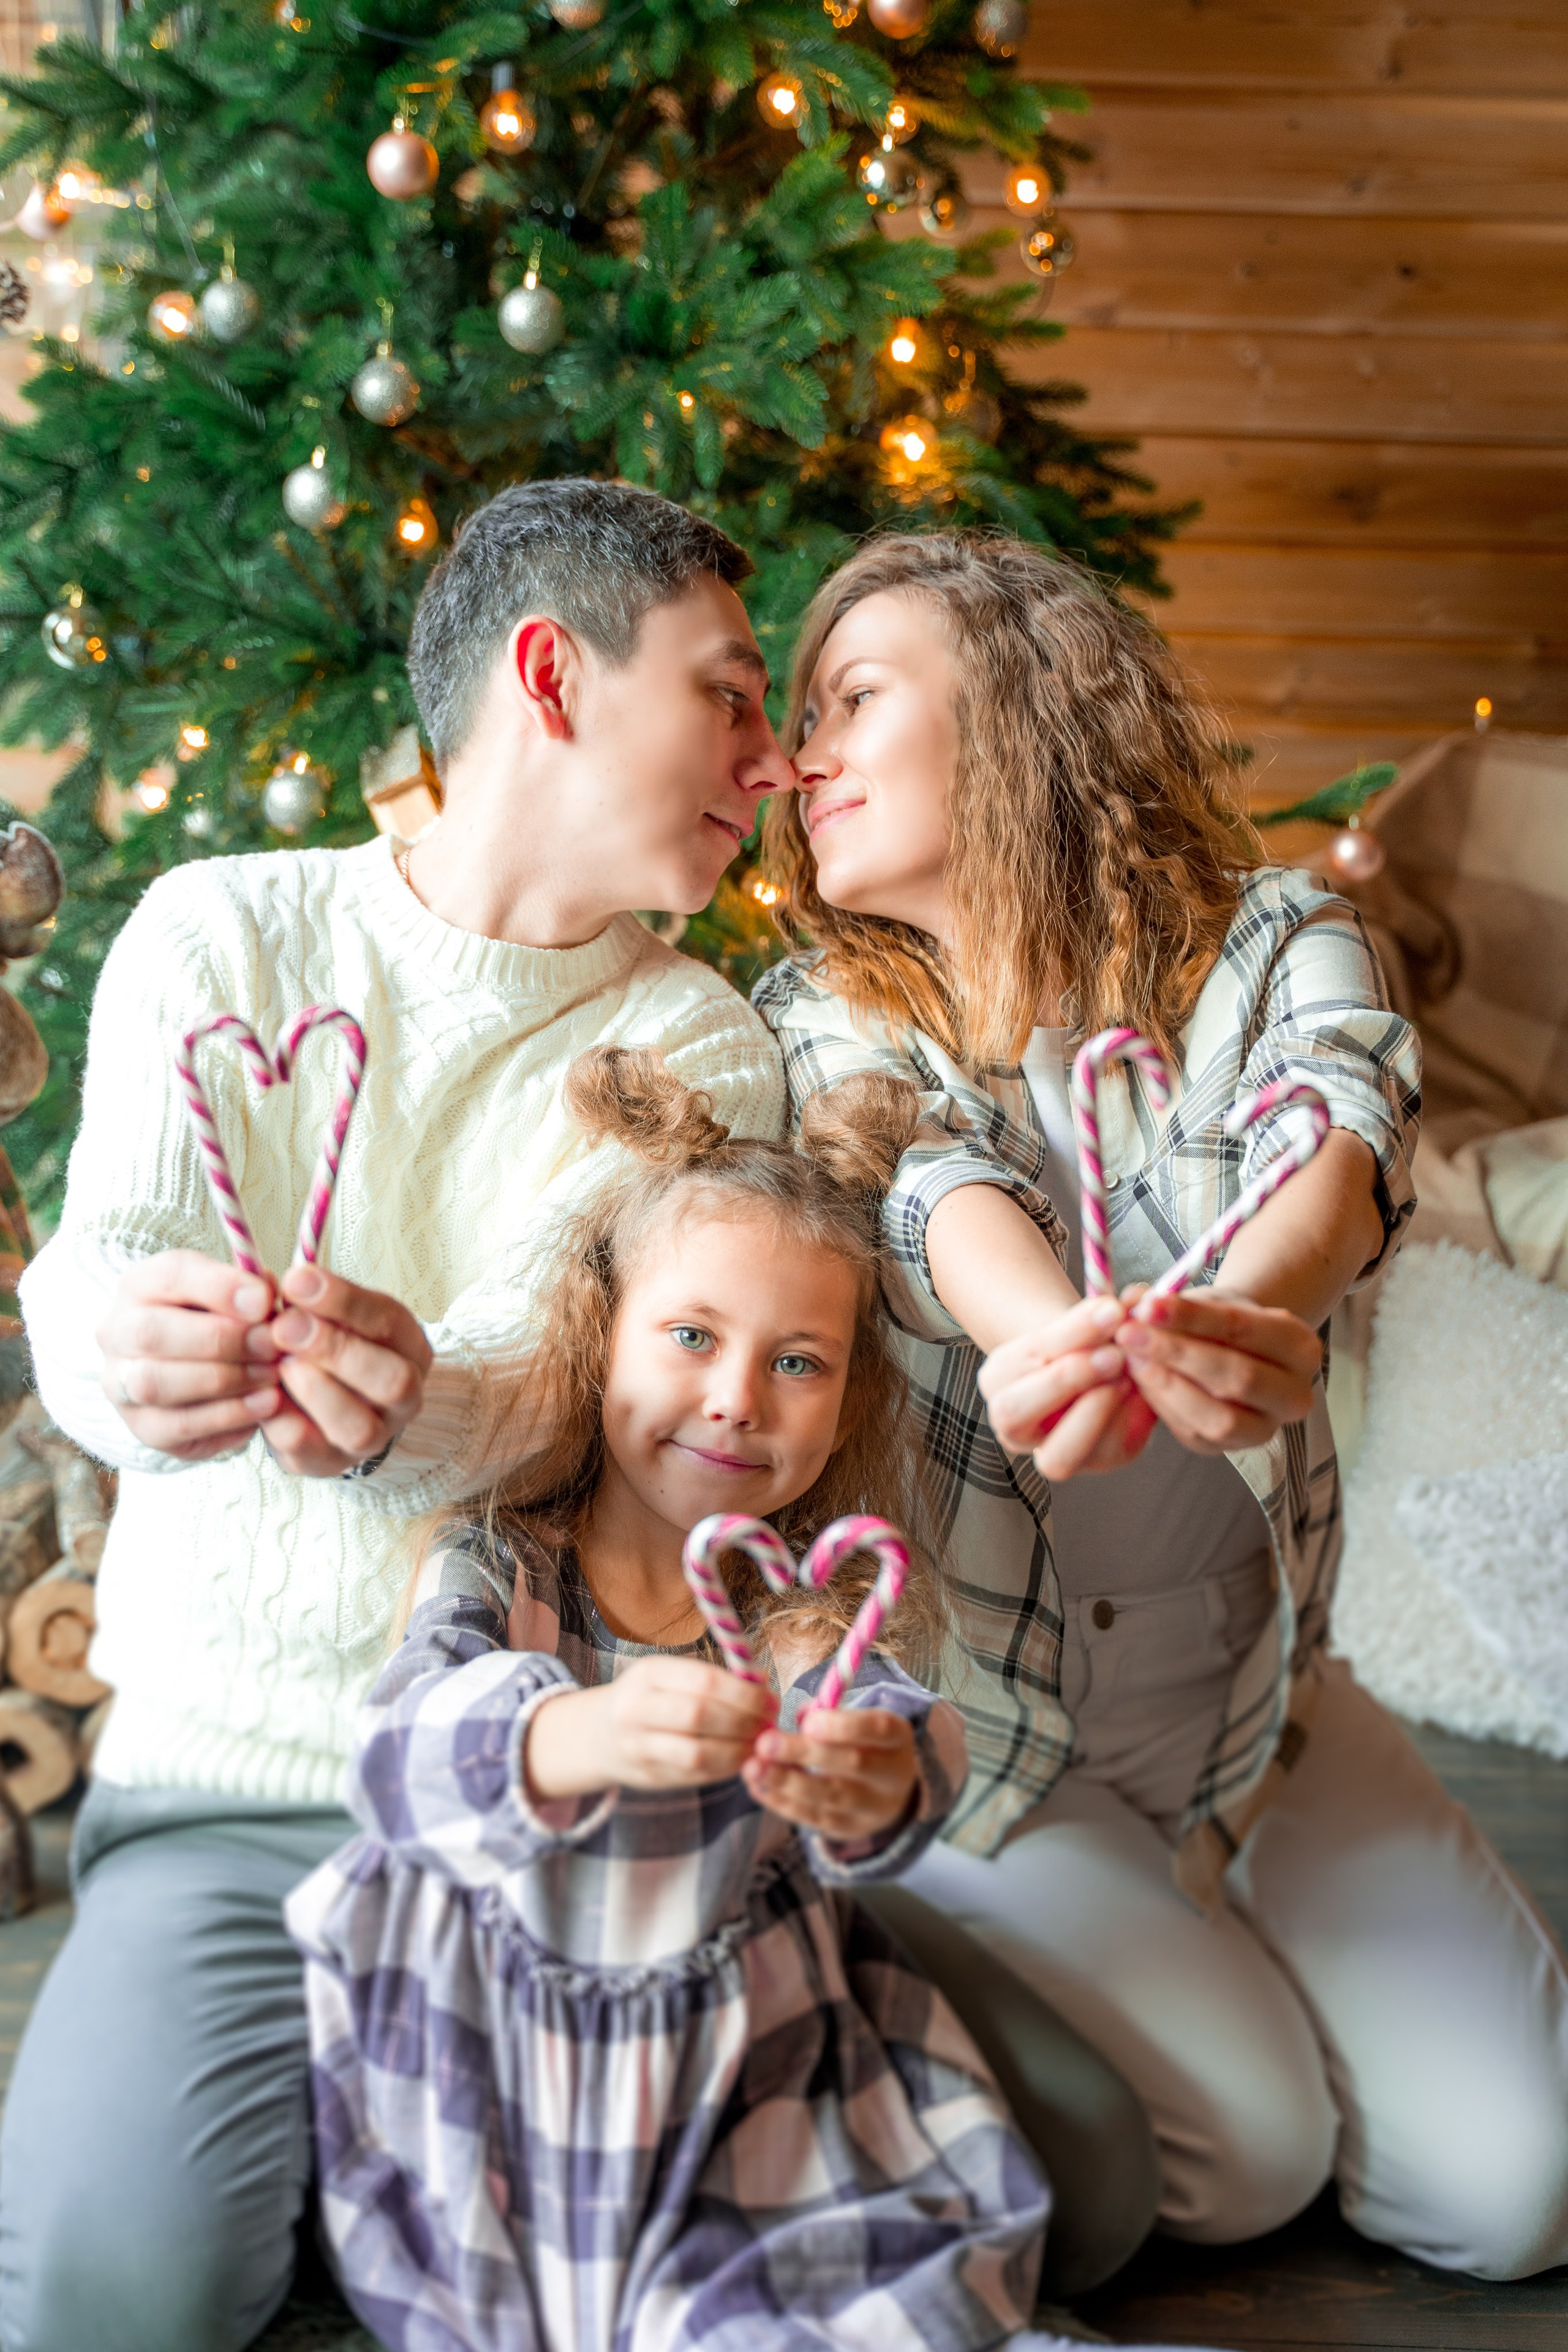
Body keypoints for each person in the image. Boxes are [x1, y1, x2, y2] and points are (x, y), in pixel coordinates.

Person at [0, 481, 797, 2352]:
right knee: (109, 2301)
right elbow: (96, 1262)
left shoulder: (699, 1044)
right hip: (232, 1795)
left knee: (616, 2284)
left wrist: (402, 1401)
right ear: (554, 676)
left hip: (557, 1798)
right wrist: (132, 1351)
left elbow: (554, 1384)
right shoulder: (220, 934)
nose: (768, 763)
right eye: (731, 696)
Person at [753, 530, 1568, 2282]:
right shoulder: (827, 1010)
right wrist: (1056, 1342)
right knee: (1254, 2159)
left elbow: (1335, 1133)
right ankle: (917, 1922)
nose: (799, 753)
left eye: (855, 698)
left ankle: (1242, 1956)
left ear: (1024, 705)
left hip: (1259, 1708)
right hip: (996, 1750)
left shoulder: (1281, 937)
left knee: (1516, 2199)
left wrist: (1241, 1312)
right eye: (798, 713)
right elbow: (920, 1175)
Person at [285, 1045, 1082, 2352]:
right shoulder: (501, 1561)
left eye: (799, 1363)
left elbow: (888, 1720)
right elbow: (397, 1755)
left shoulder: (793, 1609)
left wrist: (875, 1770)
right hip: (503, 2073)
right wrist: (569, 1730)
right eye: (693, 1337)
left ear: (845, 1400)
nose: (733, 1399)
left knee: (812, 2315)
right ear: (604, 1342)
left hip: (742, 2071)